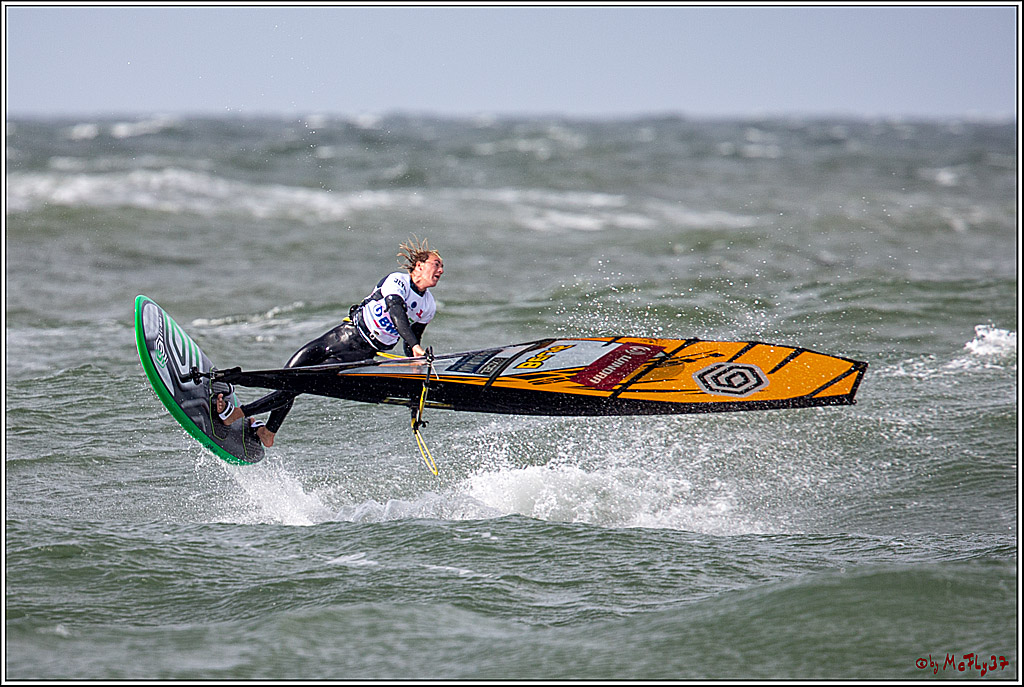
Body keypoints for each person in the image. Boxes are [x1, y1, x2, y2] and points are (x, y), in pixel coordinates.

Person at [215, 237, 444, 447]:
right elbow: (397, 313)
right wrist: (415, 347)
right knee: (289, 374)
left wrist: (414, 359)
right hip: (343, 334)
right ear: (420, 266)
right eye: (437, 264)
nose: (441, 270)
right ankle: (269, 432)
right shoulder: (398, 281)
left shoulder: (428, 306)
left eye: (442, 267)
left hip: (361, 352)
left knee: (298, 382)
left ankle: (238, 414)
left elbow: (412, 336)